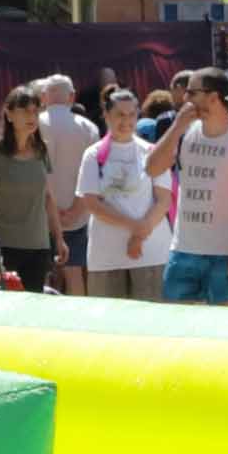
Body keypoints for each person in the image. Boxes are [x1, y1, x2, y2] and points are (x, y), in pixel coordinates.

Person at [146, 71, 228, 305]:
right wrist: (177, 127)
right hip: (183, 250)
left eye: (192, 92)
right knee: (179, 329)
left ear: (214, 97)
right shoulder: (184, 133)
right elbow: (152, 169)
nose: (185, 98)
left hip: (226, 254)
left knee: (224, 331)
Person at [0, 85, 66, 293]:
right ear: (9, 114)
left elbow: (48, 197)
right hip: (3, 245)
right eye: (24, 110)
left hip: (39, 246)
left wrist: (59, 238)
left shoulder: (41, 149)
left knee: (32, 310)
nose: (31, 116)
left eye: (35, 110)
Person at [76, 87, 168, 299]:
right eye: (119, 114)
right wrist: (135, 227)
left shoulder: (152, 152)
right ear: (106, 116)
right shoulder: (93, 155)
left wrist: (139, 234)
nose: (126, 120)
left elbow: (163, 201)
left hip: (150, 254)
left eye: (131, 114)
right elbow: (92, 203)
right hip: (106, 255)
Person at [36, 76, 99, 293]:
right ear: (72, 97)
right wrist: (76, 209)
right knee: (75, 273)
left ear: (43, 97)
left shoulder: (32, 124)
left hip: (39, 212)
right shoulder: (88, 128)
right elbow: (93, 175)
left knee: (40, 274)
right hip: (77, 215)